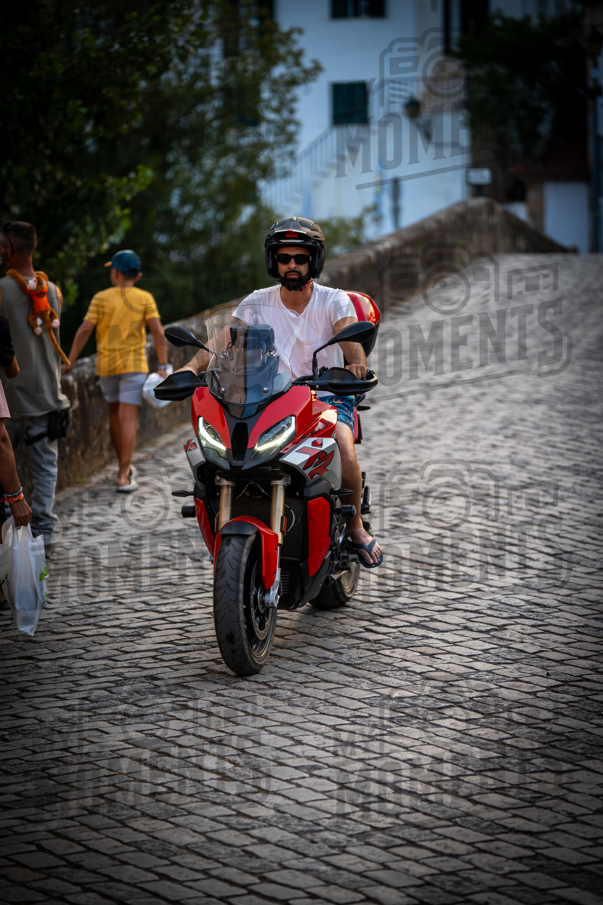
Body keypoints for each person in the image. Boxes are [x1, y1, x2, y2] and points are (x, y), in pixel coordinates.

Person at [179, 217, 382, 568]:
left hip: (324, 395)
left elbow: (352, 344)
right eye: (285, 258)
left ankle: (355, 527)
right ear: (274, 261)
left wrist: (356, 366)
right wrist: (190, 368)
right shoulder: (258, 302)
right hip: (269, 398)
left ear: (313, 261)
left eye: (300, 258)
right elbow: (225, 338)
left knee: (342, 441)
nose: (292, 265)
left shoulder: (334, 301)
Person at [64, 249, 168, 492]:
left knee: (114, 414)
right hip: (133, 365)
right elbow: (157, 331)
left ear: (116, 273)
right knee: (127, 418)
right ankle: (123, 474)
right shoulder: (144, 298)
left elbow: (84, 330)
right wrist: (163, 366)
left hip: (106, 366)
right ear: (137, 276)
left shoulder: (101, 298)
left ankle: (123, 467)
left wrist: (70, 361)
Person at [0, 222, 69, 554]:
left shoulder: (1, 289)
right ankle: (44, 538)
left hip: (11, 399)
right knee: (45, 472)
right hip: (47, 395)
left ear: (10, 249)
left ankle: (8, 536)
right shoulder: (52, 289)